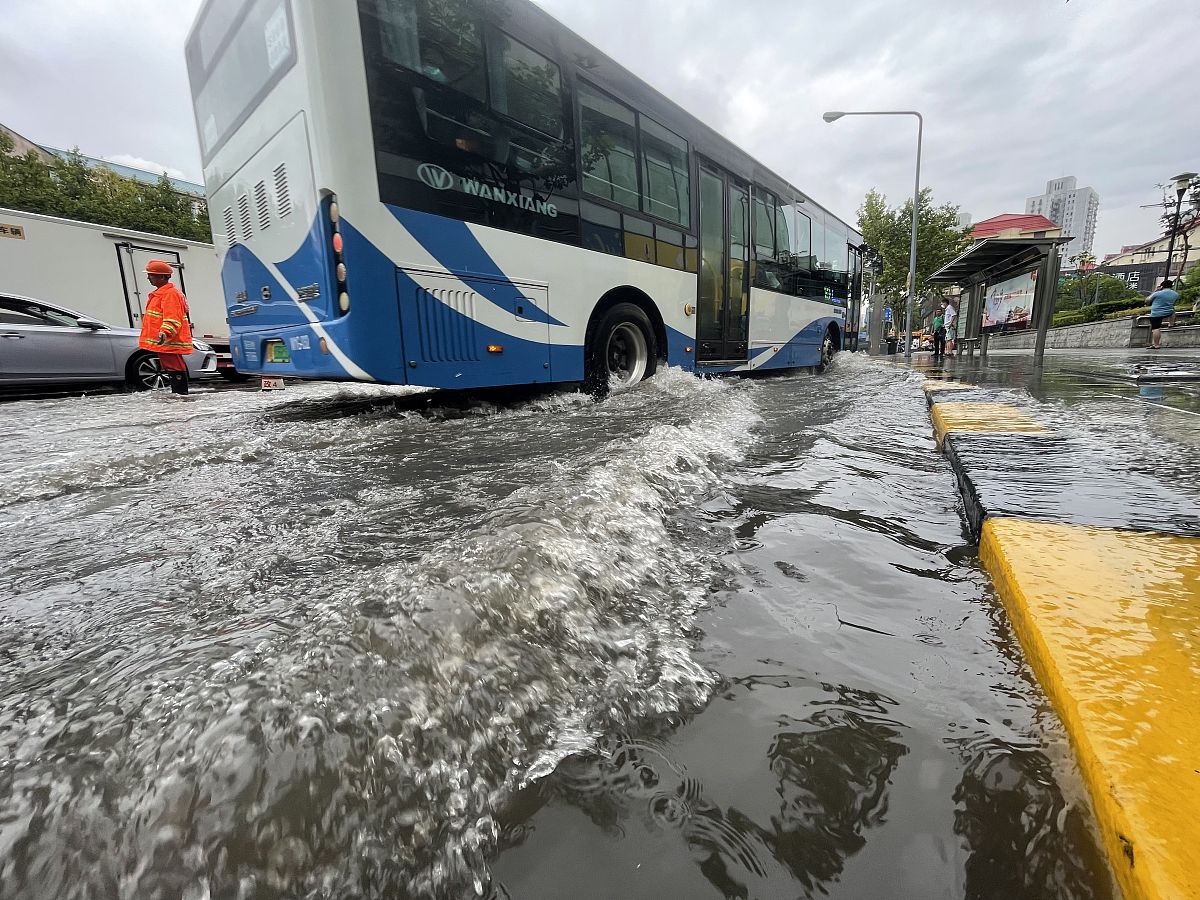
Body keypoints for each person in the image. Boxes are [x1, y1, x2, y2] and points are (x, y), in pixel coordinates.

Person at [138, 260, 193, 393]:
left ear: (162, 277)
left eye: (151, 275)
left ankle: (180, 395)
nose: (148, 277)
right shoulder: (162, 293)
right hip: (165, 339)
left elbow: (172, 317)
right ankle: (179, 394)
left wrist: (165, 332)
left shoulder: (170, 294)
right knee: (171, 366)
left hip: (168, 339)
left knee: (174, 366)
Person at [1146, 280, 1181, 350]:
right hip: (1168, 312)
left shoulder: (1157, 293)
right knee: (1173, 311)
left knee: (1156, 328)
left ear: (1162, 286)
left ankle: (1156, 345)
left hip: (1156, 313)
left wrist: (1156, 291)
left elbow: (1147, 300)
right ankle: (1171, 324)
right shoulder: (1175, 294)